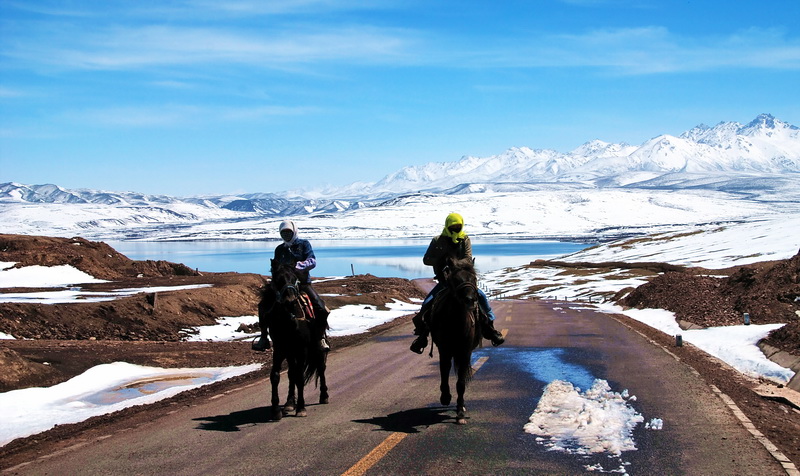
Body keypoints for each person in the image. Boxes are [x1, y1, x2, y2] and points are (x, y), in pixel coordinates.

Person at [410, 212, 505, 354]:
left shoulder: (465, 239)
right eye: (453, 226)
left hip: (462, 281)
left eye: (458, 226)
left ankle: (490, 329)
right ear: (447, 226)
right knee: (427, 304)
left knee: (481, 297)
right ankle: (422, 336)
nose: (455, 228)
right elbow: (426, 259)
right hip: (445, 281)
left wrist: (453, 263)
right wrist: (441, 260)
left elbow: (468, 259)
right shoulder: (438, 240)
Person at [253, 220, 330, 352]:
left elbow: (312, 261)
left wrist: (300, 266)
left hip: (302, 284)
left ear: (294, 231)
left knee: (321, 308)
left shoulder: (304, 244)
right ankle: (264, 337)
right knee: (263, 306)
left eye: (288, 232)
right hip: (283, 286)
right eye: (283, 233)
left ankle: (319, 338)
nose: (286, 235)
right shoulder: (279, 249)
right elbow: (276, 267)